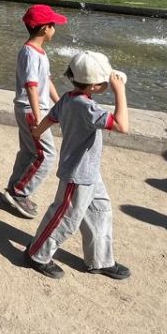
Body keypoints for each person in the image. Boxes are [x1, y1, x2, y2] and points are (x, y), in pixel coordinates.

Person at [23, 50, 132, 280]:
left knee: (100, 212)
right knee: (66, 217)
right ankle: (37, 254)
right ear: (93, 86)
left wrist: (37, 132)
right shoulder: (88, 108)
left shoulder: (68, 98)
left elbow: (51, 117)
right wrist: (119, 92)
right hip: (78, 175)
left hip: (90, 173)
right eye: (104, 81)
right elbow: (122, 126)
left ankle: (100, 260)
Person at [4, 5, 69, 218]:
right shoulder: (30, 53)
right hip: (32, 111)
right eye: (52, 25)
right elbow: (32, 85)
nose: (54, 29)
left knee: (29, 152)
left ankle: (14, 187)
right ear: (43, 29)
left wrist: (59, 103)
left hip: (31, 109)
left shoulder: (38, 52)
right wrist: (39, 120)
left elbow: (45, 81)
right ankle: (20, 191)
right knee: (47, 155)